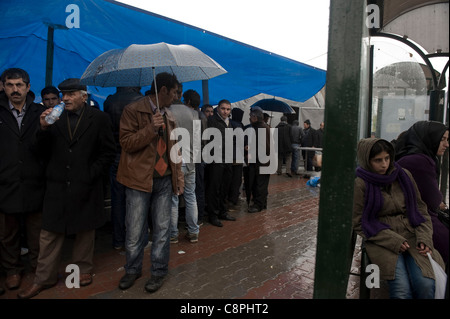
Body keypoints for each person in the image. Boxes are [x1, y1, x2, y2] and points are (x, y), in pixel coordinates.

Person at [17, 78, 116, 299]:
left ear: (84, 96)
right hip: (56, 185)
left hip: (86, 185)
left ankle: (82, 270)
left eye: (70, 94)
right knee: (49, 234)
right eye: (64, 94)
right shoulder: (52, 117)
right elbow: (37, 151)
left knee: (84, 231)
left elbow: (108, 152)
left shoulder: (99, 119)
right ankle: (43, 279)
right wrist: (42, 129)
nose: (65, 98)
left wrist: (91, 174)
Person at [116, 72, 184, 293]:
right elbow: (126, 143)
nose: (176, 97)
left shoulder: (170, 116)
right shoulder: (133, 110)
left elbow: (176, 150)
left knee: (163, 229)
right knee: (135, 229)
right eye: (174, 92)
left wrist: (179, 177)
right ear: (163, 90)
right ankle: (132, 269)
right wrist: (150, 129)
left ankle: (158, 271)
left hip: (164, 181)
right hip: (138, 181)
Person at [353, 137, 445, 299]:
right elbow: (359, 222)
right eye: (378, 160)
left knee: (426, 284)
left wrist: (424, 238)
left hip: (412, 235)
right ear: (367, 161)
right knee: (401, 290)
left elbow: (420, 210)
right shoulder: (361, 184)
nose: (384, 164)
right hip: (382, 240)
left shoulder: (403, 176)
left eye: (387, 158)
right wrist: (393, 240)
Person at [0, 68, 46, 291]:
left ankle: (38, 269)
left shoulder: (40, 112)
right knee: (8, 234)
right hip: (5, 182)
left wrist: (45, 129)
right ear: (3, 86)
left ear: (28, 87)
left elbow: (48, 148)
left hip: (34, 181)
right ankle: (12, 270)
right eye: (10, 85)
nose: (15, 89)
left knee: (36, 233)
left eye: (19, 85)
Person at [393, 121, 449, 266]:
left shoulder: (412, 156)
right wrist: (440, 203)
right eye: (442, 139)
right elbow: (433, 200)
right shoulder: (419, 161)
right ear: (430, 138)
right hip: (417, 222)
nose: (446, 144)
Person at [103, 86, 143, 250]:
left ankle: (118, 240)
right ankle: (134, 239)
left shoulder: (109, 101)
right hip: (134, 156)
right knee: (136, 201)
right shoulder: (140, 101)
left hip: (115, 155)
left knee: (117, 200)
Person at [169, 89, 200, 243]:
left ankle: (173, 234)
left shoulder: (167, 111)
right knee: (190, 197)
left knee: (174, 198)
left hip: (175, 161)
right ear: (181, 95)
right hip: (191, 161)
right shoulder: (193, 113)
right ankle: (193, 231)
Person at [205, 99, 236, 227]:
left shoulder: (229, 123)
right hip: (216, 159)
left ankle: (222, 211)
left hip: (227, 159)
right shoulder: (212, 121)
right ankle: (213, 215)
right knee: (214, 188)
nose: (225, 111)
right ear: (218, 109)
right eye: (223, 109)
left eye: (228, 109)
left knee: (225, 187)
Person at [246, 107, 272, 213]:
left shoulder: (260, 128)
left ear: (255, 117)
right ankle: (262, 203)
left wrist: (251, 151)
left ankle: (258, 205)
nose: (250, 118)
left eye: (251, 116)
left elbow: (263, 147)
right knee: (262, 184)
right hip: (263, 162)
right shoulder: (262, 126)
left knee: (259, 184)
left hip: (261, 162)